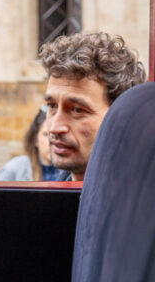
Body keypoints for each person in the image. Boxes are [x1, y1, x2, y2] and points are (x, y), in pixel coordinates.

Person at [41, 31, 146, 181]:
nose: (54, 128)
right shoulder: (57, 192)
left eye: (77, 110)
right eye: (52, 106)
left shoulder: (140, 200)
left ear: (122, 119)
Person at [0, 108, 67, 181]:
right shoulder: (15, 168)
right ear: (35, 139)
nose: (52, 141)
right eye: (46, 135)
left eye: (57, 135)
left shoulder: (70, 172)